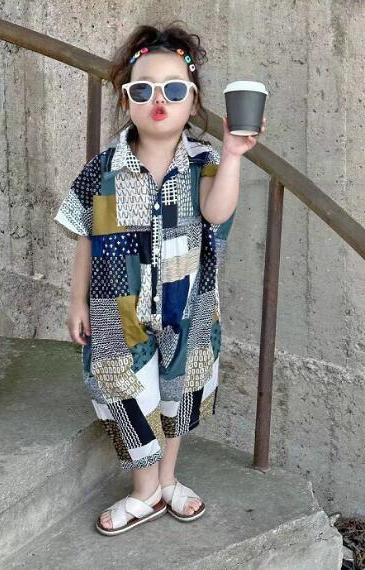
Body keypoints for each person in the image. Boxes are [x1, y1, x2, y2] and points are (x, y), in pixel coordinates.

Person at [53, 21, 266, 536]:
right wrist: (76, 300)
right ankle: (144, 489)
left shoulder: (204, 164)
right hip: (114, 308)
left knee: (178, 392)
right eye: (143, 90)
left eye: (173, 89)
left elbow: (217, 213)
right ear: (127, 100)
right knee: (123, 392)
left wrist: (233, 155)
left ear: (193, 103)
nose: (159, 101)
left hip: (186, 304)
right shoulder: (104, 168)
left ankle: (167, 480)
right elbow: (84, 235)